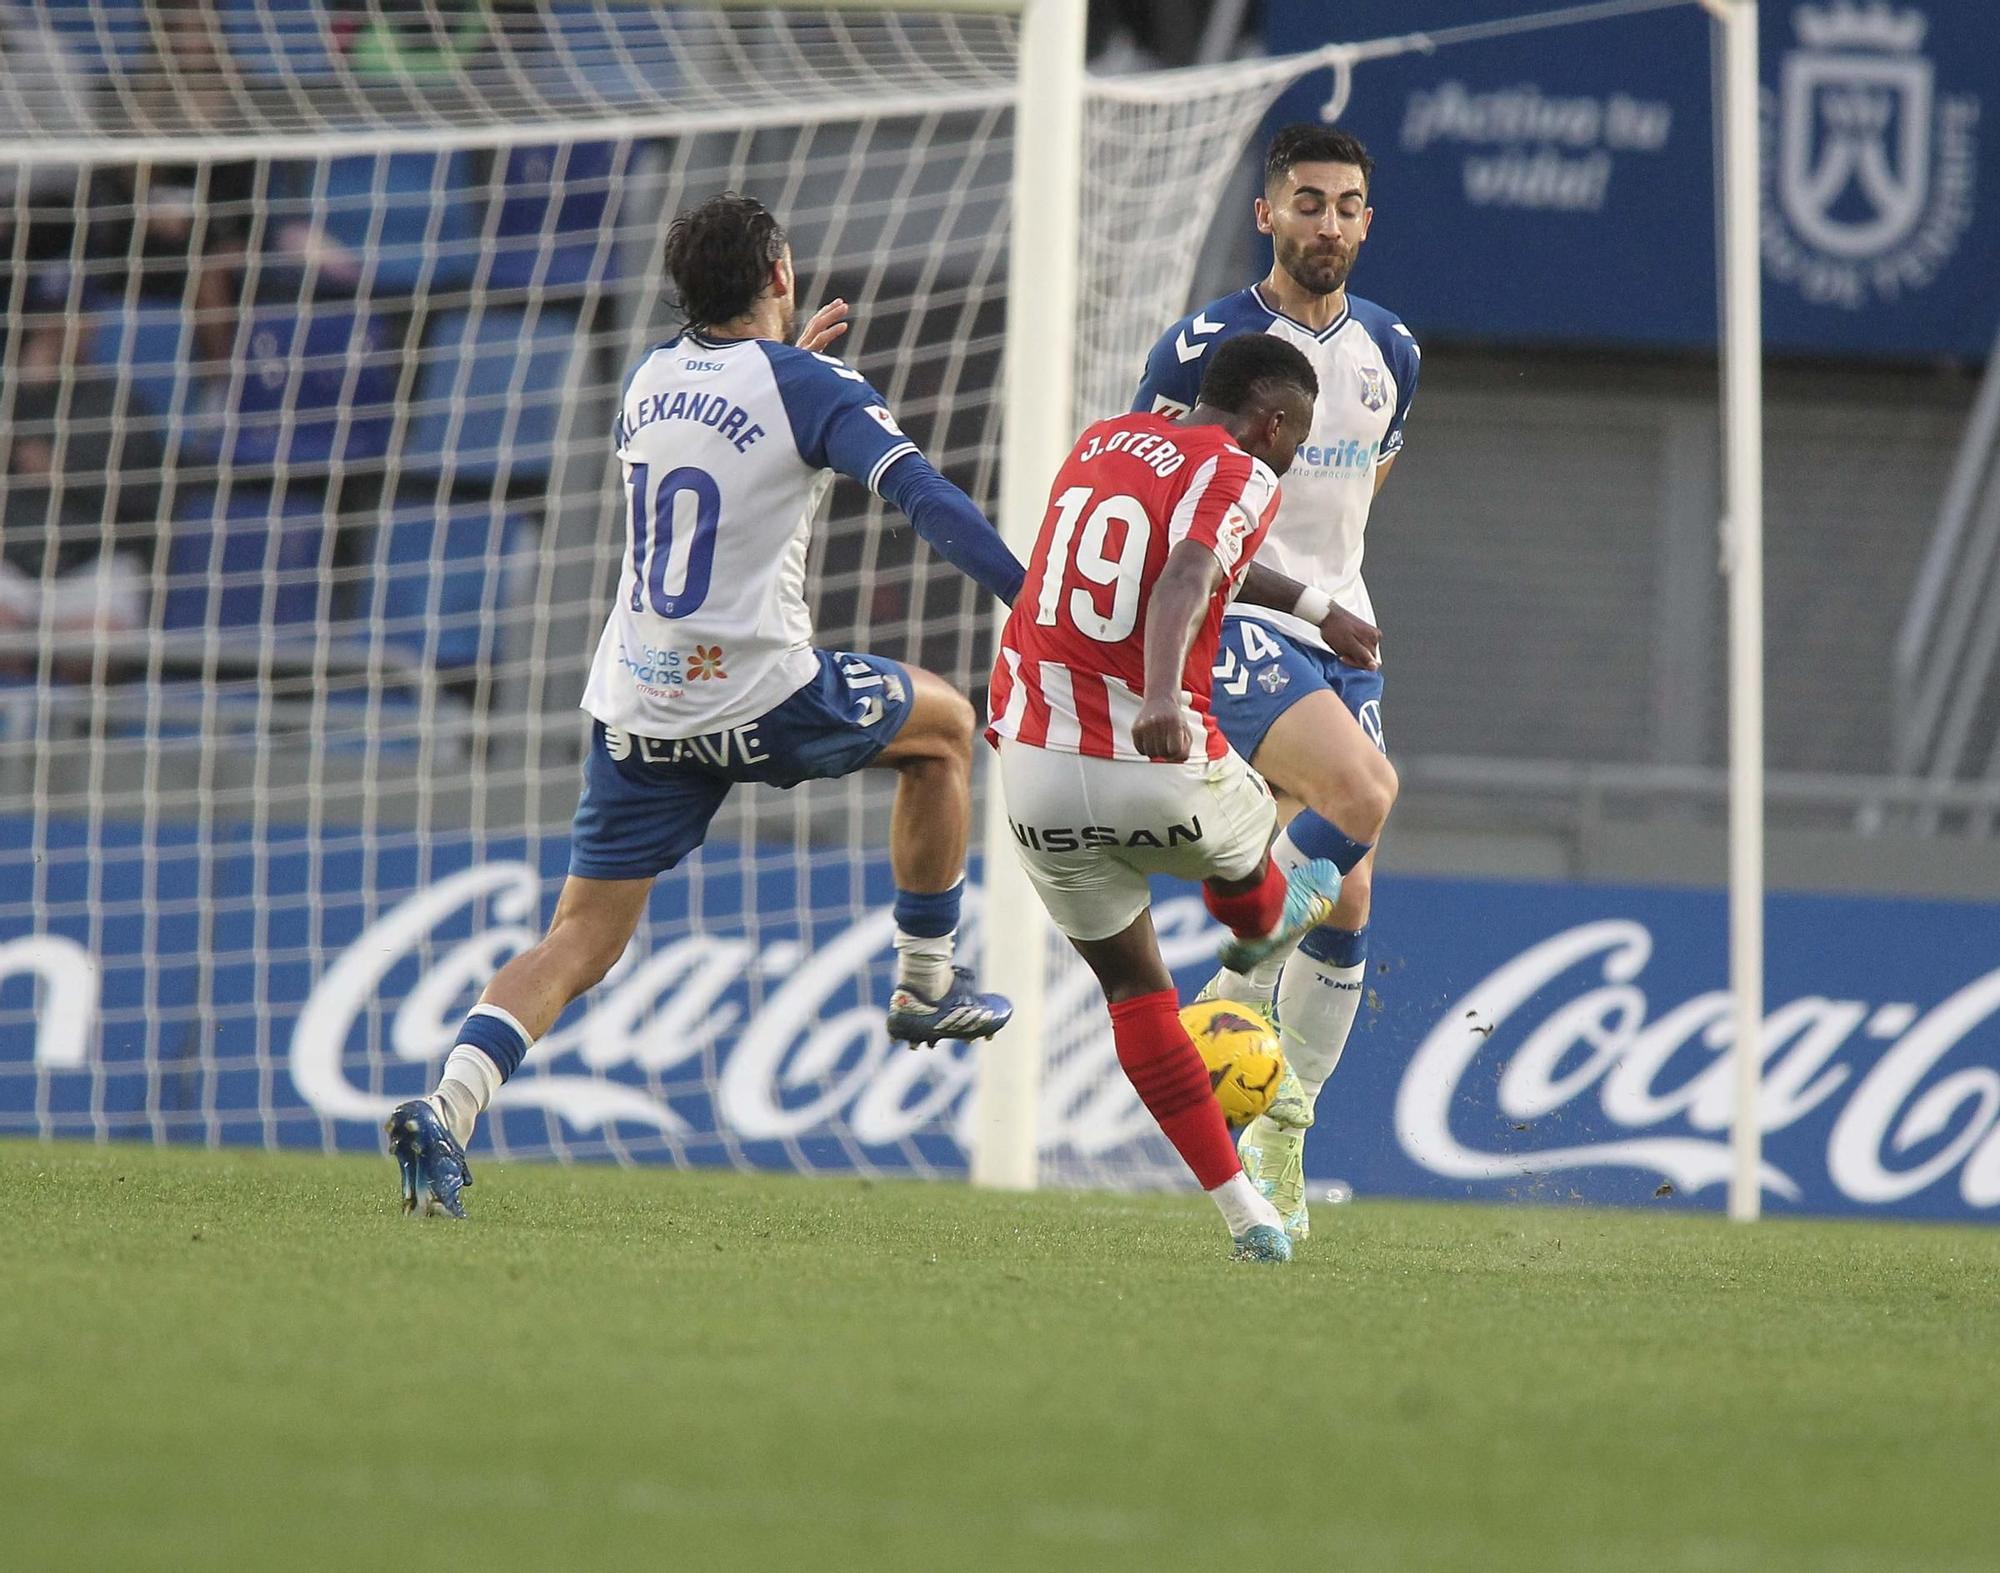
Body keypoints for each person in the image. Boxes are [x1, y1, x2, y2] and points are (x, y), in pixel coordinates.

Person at [389, 192, 1024, 1217]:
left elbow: (731, 433)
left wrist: (807, 377)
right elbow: (923, 499)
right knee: (944, 732)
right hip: (757, 689)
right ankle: (925, 982)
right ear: (779, 276)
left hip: (638, 702)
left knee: (580, 940)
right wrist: (1031, 603)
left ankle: (446, 1110)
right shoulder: (809, 389)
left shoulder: (647, 377)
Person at [991, 332, 1338, 1264]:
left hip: (1030, 761)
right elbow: (1190, 568)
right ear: (1271, 423)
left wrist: (1312, 608)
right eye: (1296, 440)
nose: (1292, 457)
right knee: (1262, 823)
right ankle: (1262, 921)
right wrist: (1154, 698)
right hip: (1149, 753)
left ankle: (1245, 1217)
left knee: (1134, 990)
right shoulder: (1243, 470)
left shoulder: (1102, 439)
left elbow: (1183, 553)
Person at [1132, 125, 1416, 1242]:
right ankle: (1234, 976)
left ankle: (1282, 1135)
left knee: (1346, 894)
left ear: (1365, 219)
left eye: (1347, 205)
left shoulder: (1389, 350)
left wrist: (1333, 607)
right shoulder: (1203, 345)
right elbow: (1152, 492)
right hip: (1241, 619)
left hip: (1346, 634)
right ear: (1265, 214)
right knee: (1358, 792)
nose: (1328, 224)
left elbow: (1358, 499)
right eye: (1307, 202)